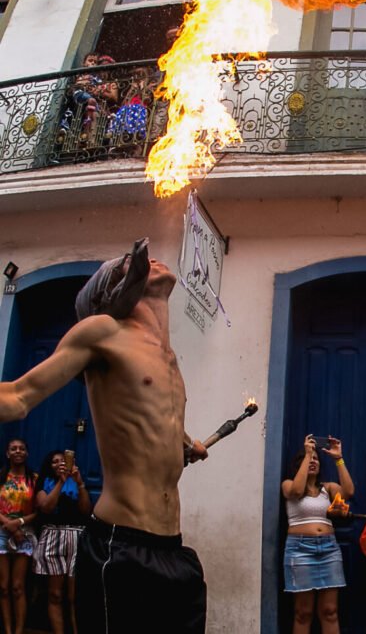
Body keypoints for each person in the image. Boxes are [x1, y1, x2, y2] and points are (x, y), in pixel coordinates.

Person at [0, 237, 209, 634]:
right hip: (120, 546)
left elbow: (150, 417)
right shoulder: (103, 331)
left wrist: (185, 442)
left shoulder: (169, 358)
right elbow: (19, 397)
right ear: (116, 289)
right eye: (128, 263)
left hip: (173, 547)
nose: (150, 259)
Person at [281, 434, 354, 634]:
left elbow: (349, 491)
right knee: (303, 613)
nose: (313, 461)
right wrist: (308, 454)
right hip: (299, 550)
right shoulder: (288, 484)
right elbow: (296, 491)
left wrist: (338, 458)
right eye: (308, 459)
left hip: (329, 549)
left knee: (330, 611)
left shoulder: (327, 489)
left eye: (316, 459)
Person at [33, 450, 92, 634]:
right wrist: (61, 481)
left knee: (74, 596)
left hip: (76, 537)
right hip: (53, 537)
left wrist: (80, 483)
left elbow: (85, 510)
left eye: (63, 461)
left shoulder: (78, 484)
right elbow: (47, 508)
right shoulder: (44, 485)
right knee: (55, 594)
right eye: (54, 462)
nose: (59, 464)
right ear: (49, 466)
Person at [0, 438, 38, 634]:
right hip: (1, 533)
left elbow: (39, 511)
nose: (17, 451)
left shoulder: (34, 479)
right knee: (4, 587)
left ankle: (19, 630)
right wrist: (9, 524)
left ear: (27, 453)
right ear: (7, 453)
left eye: (21, 448)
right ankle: (7, 629)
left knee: (17, 586)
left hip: (25, 534)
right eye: (13, 448)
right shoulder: (1, 477)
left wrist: (19, 524)